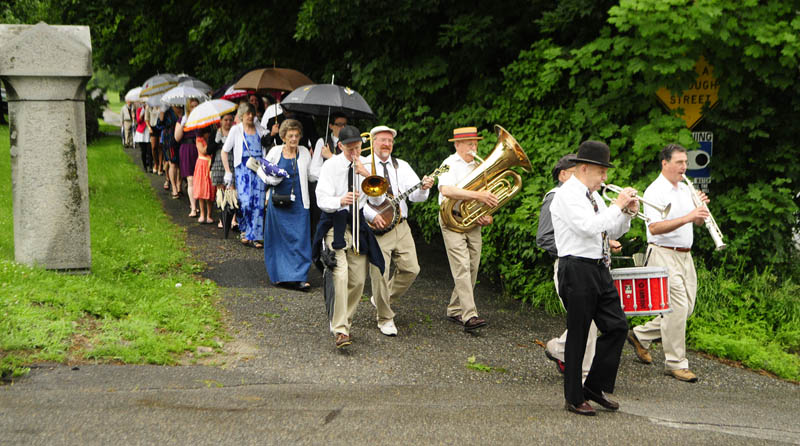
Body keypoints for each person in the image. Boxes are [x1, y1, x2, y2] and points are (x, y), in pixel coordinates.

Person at [550, 140, 638, 416]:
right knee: (579, 334)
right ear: (584, 168)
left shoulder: (594, 196)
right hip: (575, 267)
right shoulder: (566, 195)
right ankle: (574, 397)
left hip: (598, 267)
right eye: (601, 172)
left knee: (617, 326)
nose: (605, 178)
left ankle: (593, 387)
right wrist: (617, 206)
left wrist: (626, 214)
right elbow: (588, 227)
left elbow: (611, 231)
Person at [627, 143, 710, 383]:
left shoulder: (685, 188)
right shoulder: (655, 191)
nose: (684, 167)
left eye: (685, 162)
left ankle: (640, 335)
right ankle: (675, 363)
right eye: (679, 162)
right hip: (663, 253)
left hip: (685, 255)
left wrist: (701, 212)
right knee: (677, 308)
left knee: (687, 308)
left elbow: (698, 223)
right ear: (665, 163)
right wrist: (688, 216)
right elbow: (654, 227)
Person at [313, 125, 382, 349]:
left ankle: (344, 322)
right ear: (340, 146)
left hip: (357, 226)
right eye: (350, 148)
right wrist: (340, 200)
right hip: (336, 223)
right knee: (340, 276)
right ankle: (341, 330)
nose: (355, 152)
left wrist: (366, 174)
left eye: (358, 147)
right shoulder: (331, 166)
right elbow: (321, 198)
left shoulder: (365, 165)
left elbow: (377, 200)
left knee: (359, 280)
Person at [363, 125, 434, 336]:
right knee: (379, 274)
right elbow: (357, 200)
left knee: (412, 269)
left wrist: (423, 187)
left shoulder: (401, 165)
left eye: (390, 141)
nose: (387, 144)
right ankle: (385, 318)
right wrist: (371, 215)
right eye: (382, 140)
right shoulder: (363, 165)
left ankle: (382, 299)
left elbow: (416, 197)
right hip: (376, 227)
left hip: (401, 225)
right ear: (373, 142)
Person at [437, 127, 498, 332]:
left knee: (472, 266)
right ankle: (469, 315)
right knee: (462, 266)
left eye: (475, 143)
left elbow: (485, 198)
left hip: (470, 219)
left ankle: (455, 309)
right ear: (457, 145)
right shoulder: (447, 164)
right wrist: (479, 196)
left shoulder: (479, 166)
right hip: (450, 218)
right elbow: (446, 190)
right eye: (470, 143)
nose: (474, 147)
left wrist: (485, 213)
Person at [263, 119, 321, 290]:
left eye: (296, 136)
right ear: (283, 136)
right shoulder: (274, 151)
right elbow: (263, 173)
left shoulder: (303, 152)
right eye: (290, 136)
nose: (294, 139)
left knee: (300, 239)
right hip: (278, 202)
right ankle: (280, 276)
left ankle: (299, 277)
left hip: (299, 203)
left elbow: (311, 176)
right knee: (279, 240)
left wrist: (320, 159)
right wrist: (273, 178)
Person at [221, 102, 266, 248]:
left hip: (258, 169)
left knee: (258, 203)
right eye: (247, 113)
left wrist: (272, 133)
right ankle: (244, 229)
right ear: (241, 115)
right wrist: (228, 171)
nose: (251, 116)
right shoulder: (236, 130)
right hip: (243, 170)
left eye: (252, 113)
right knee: (245, 203)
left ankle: (256, 236)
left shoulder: (260, 129)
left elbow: (268, 143)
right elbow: (224, 151)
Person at [309, 113, 348, 238]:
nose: (342, 128)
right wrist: (330, 176)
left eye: (345, 124)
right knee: (321, 226)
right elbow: (313, 171)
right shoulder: (323, 142)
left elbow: (349, 167)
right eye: (339, 124)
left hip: (344, 193)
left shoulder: (349, 143)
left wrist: (331, 158)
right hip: (326, 192)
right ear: (331, 126)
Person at [176, 98, 201, 217]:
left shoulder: (202, 119)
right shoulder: (182, 119)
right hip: (186, 148)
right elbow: (177, 137)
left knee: (198, 179)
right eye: (192, 106)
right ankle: (193, 207)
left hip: (199, 149)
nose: (194, 108)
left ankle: (200, 205)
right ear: (188, 107)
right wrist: (183, 124)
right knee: (190, 179)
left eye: (196, 106)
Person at [210, 113, 235, 229]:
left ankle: (232, 219)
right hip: (218, 163)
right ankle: (222, 218)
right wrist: (216, 141)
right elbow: (209, 149)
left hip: (232, 162)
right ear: (220, 121)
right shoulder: (216, 132)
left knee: (232, 191)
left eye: (230, 120)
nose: (228, 122)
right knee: (221, 192)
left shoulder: (235, 132)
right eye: (225, 120)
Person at [157, 104, 182, 199]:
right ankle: (174, 187)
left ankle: (179, 185)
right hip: (170, 141)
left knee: (180, 164)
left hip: (183, 140)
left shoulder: (184, 109)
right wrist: (161, 114)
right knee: (172, 164)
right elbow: (159, 125)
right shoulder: (167, 111)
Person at [193, 126, 215, 224]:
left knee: (210, 190)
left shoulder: (212, 139)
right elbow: (203, 151)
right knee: (201, 190)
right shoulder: (199, 140)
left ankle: (209, 215)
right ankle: (202, 214)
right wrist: (211, 143)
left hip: (210, 164)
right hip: (202, 165)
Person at [146, 103, 163, 175]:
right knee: (153, 147)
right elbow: (146, 119)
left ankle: (160, 165)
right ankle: (156, 163)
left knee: (160, 146)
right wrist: (149, 128)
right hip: (153, 127)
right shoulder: (149, 106)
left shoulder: (162, 106)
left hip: (161, 127)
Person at [133, 102, 151, 171]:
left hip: (149, 130)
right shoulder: (139, 110)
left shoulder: (150, 109)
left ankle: (150, 166)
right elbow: (138, 121)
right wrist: (142, 112)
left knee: (149, 151)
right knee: (143, 151)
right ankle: (145, 166)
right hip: (141, 132)